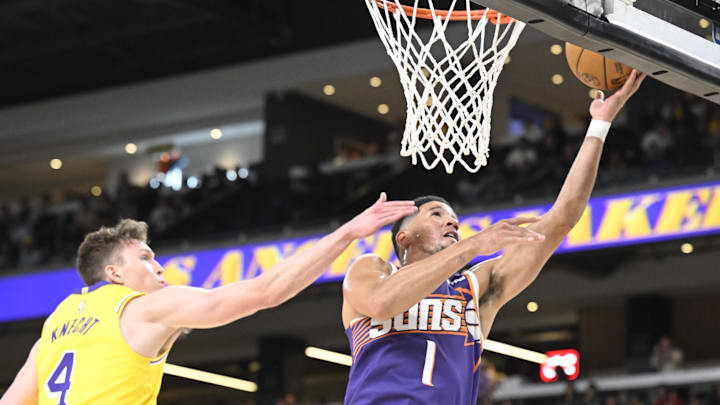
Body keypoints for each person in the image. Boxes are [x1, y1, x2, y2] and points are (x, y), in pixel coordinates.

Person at [341, 70, 646, 404]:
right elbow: (384, 303)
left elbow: (562, 218)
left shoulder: (474, 289)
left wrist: (600, 126)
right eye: (437, 215)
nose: (452, 224)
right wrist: (474, 245)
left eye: (455, 219)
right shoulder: (370, 270)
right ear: (404, 238)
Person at [0, 193, 416, 405]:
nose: (159, 268)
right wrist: (346, 234)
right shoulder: (143, 308)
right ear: (114, 273)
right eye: (146, 258)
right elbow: (265, 291)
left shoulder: (53, 326)